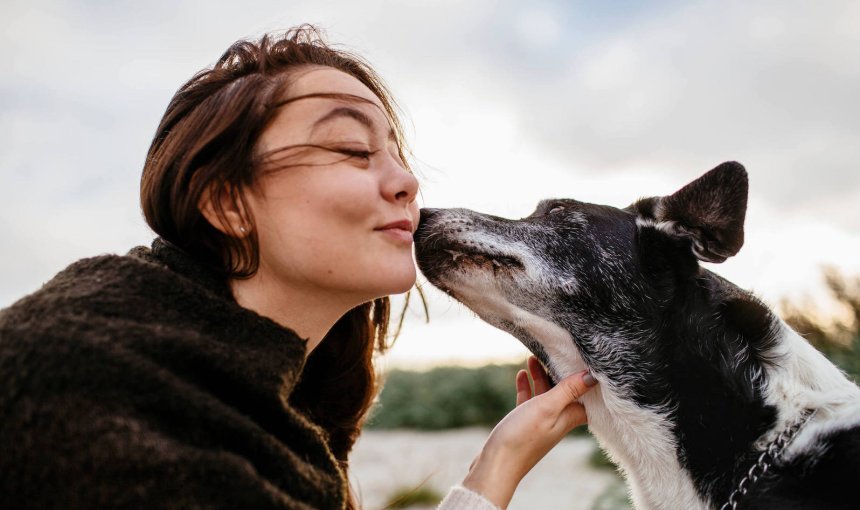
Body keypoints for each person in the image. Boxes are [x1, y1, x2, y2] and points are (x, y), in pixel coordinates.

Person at [0, 26, 597, 509]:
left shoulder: (268, 402)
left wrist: (497, 464)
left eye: (396, 154)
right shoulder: (86, 387)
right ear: (226, 203)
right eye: (353, 150)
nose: (408, 182)